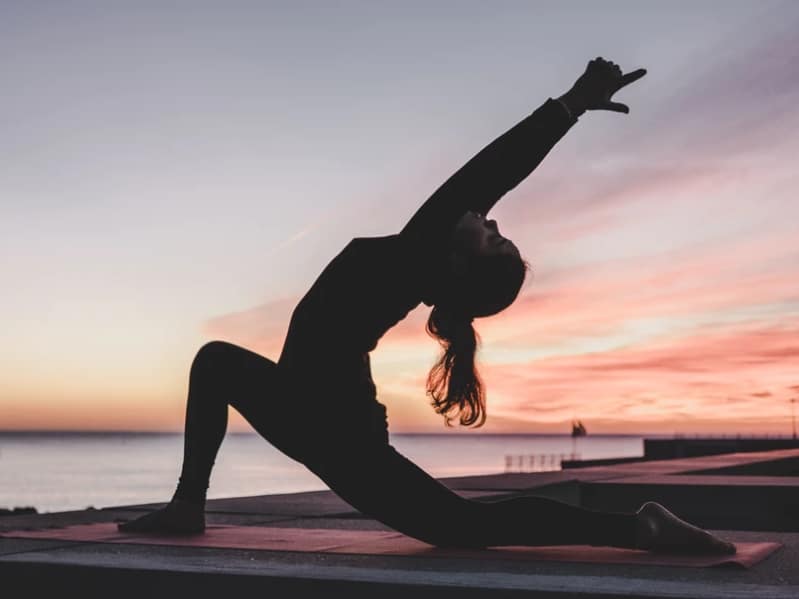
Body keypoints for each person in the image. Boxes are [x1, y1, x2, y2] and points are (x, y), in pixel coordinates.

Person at [118, 57, 735, 555]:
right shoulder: (417, 261)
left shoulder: (420, 254)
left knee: (463, 529)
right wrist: (569, 106)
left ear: (460, 265)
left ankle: (637, 528)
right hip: (307, 407)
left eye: (493, 235)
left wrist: (570, 105)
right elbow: (487, 183)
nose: (489, 218)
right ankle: (188, 505)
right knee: (215, 361)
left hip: (331, 427)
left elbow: (491, 171)